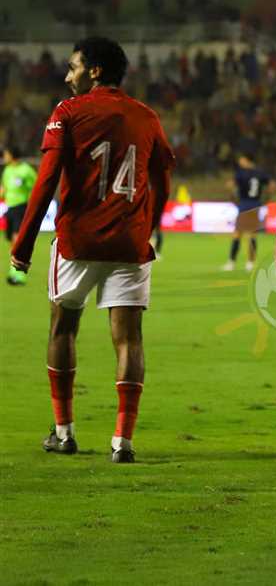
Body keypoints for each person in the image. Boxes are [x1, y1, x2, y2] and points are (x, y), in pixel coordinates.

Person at [9, 37, 174, 463]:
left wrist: (22, 245)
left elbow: (45, 183)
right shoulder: (146, 116)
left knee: (62, 329)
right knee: (129, 341)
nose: (68, 77)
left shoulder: (68, 113)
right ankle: (123, 441)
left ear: (95, 70)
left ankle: (64, 433)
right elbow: (164, 181)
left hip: (78, 242)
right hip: (130, 245)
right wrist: (147, 227)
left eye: (73, 67)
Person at [223, 153, 271, 272]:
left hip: (244, 204)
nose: (240, 162)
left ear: (246, 160)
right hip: (255, 204)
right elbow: (271, 186)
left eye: (241, 159)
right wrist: (265, 199)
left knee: (237, 234)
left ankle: (231, 263)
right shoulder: (260, 172)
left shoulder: (241, 173)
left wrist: (232, 197)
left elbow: (230, 185)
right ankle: (250, 263)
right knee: (252, 235)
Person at [2, 145, 36, 284]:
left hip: (22, 208)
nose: (4, 157)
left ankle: (19, 275)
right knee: (11, 241)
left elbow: (36, 188)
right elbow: (4, 188)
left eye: (6, 154)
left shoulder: (26, 170)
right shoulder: (8, 170)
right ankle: (13, 270)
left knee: (17, 240)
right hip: (10, 208)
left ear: (12, 154)